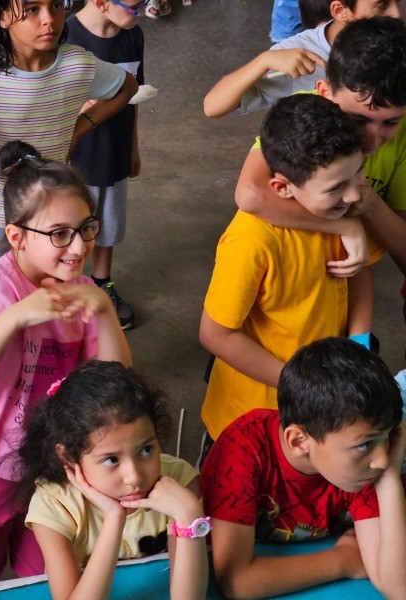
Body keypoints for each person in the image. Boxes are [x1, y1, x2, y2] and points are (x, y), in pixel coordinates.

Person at [0, 141, 132, 584]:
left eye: (86, 228)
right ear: (16, 237)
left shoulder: (81, 292)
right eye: (59, 234)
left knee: (45, 576)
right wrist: (15, 317)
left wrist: (103, 309)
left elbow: (116, 384)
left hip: (50, 466)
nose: (79, 246)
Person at [199, 93, 380, 443]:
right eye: (336, 187)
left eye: (358, 172)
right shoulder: (251, 240)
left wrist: (358, 346)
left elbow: (359, 270)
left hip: (325, 399)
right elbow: (216, 334)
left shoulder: (342, 213)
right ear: (282, 187)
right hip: (254, 416)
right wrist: (301, 385)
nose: (354, 195)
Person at [0, 0, 138, 261]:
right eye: (32, 9)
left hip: (54, 213)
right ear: (2, 17)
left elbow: (128, 87)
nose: (49, 19)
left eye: (56, 5)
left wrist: (81, 127)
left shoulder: (78, 66)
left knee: (48, 278)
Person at [200, 337, 406, 599]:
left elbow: (398, 587)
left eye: (387, 437)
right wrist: (341, 561)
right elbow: (237, 582)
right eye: (366, 444)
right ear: (299, 442)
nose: (383, 459)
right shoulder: (243, 449)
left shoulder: (363, 465)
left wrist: (390, 479)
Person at [233, 18, 406, 320]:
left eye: (391, 122)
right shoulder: (300, 120)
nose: (371, 139)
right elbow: (250, 194)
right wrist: (345, 226)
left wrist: (369, 203)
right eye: (358, 119)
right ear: (324, 92)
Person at [21, 361, 209, 599]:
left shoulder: (178, 484)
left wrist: (189, 515)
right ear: (68, 457)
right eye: (111, 460)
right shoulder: (54, 506)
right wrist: (113, 517)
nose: (134, 477)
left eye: (146, 450)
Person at [66, 0, 145, 329]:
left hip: (115, 148)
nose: (141, 13)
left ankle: (102, 283)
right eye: (135, 7)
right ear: (101, 3)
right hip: (76, 153)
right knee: (70, 225)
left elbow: (135, 94)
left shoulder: (133, 36)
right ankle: (66, 288)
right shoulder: (66, 35)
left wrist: (133, 146)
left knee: (106, 225)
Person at [202, 0, 401, 118]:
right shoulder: (298, 55)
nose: (396, 14)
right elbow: (212, 106)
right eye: (382, 5)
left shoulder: (397, 41)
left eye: (398, 2)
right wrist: (263, 61)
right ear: (340, 10)